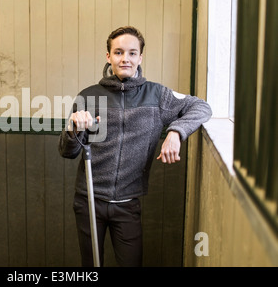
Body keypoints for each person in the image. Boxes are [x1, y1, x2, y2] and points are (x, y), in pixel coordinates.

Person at [58, 26, 212, 267]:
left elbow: (201, 107)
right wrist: (74, 129)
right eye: (118, 52)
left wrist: (175, 132)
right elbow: (68, 152)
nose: (125, 59)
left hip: (127, 204)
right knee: (91, 265)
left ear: (140, 57)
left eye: (132, 53)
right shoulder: (88, 96)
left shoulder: (157, 96)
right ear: (108, 56)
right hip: (89, 200)